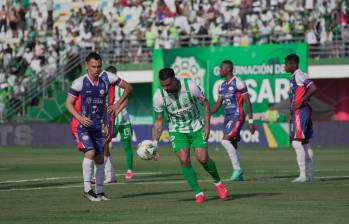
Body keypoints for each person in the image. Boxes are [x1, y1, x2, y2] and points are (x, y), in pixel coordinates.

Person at [152, 68, 228, 203]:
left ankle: (218, 183)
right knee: (184, 160)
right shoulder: (158, 96)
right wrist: (154, 144)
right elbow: (158, 121)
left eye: (168, 85)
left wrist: (207, 125)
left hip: (196, 126)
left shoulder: (190, 86)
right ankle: (198, 192)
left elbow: (205, 104)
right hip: (177, 130)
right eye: (163, 85)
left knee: (203, 159)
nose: (166, 88)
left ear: (174, 79)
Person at [66, 52, 132, 201]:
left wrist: (112, 111)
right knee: (89, 152)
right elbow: (68, 103)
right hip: (81, 124)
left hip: (98, 125)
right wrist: (79, 117)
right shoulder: (79, 82)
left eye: (99, 66)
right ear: (87, 66)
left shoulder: (107, 78)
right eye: (93, 66)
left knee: (100, 157)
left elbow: (128, 88)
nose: (96, 69)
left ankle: (100, 192)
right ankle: (87, 190)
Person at [211, 60, 256, 181]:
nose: (219, 70)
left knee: (225, 141)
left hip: (237, 115)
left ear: (227, 69)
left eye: (221, 68)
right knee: (233, 144)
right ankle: (239, 175)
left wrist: (251, 121)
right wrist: (208, 113)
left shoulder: (239, 82)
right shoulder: (222, 85)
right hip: (228, 117)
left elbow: (247, 101)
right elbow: (218, 103)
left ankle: (237, 169)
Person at [284, 54, 317, 182]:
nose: (285, 66)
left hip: (301, 111)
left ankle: (303, 175)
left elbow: (313, 87)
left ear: (293, 65)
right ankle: (310, 175)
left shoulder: (299, 74)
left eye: (286, 64)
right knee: (305, 142)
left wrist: (301, 101)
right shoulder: (294, 77)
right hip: (299, 111)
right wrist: (292, 113)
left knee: (296, 142)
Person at [106, 65, 134, 181]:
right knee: (104, 144)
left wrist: (116, 112)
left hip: (123, 120)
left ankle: (129, 171)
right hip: (112, 120)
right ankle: (107, 171)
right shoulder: (106, 86)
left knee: (127, 145)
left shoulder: (121, 85)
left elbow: (125, 101)